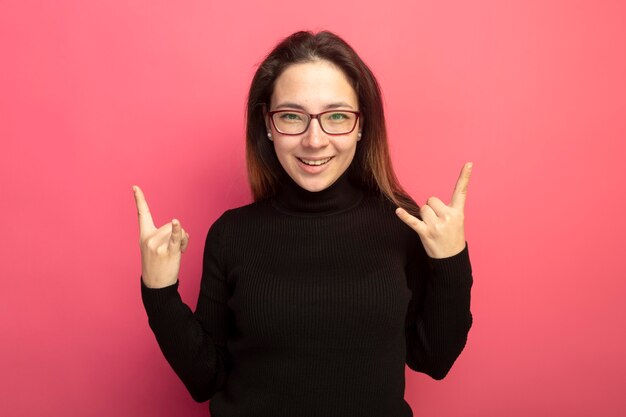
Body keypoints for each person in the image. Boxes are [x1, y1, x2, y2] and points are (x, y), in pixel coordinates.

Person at [133, 30, 473, 417]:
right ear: (268, 124)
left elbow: (435, 360)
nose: (314, 140)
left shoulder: (401, 225)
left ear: (362, 125)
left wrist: (452, 260)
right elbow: (205, 381)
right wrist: (159, 291)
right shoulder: (232, 234)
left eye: (337, 117)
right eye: (292, 116)